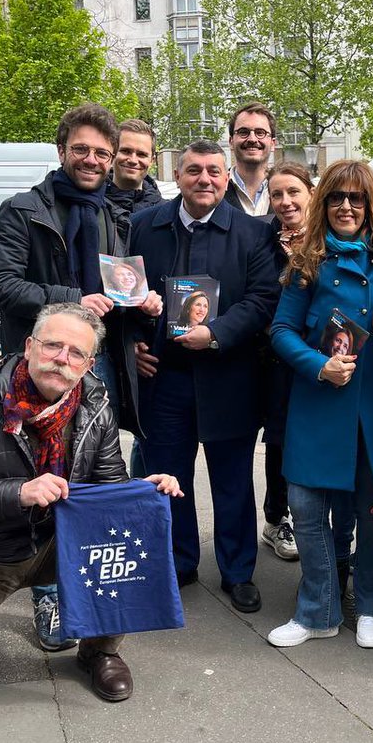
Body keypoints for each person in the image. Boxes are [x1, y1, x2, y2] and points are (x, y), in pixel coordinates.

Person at [0, 302, 182, 703]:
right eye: (53, 346)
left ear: (88, 364)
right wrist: (19, 492)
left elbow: (107, 494)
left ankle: (98, 650)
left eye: (76, 353)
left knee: (126, 544)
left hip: (60, 542)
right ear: (30, 346)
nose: (62, 359)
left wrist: (142, 491)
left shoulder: (96, 410)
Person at [0, 103, 146, 652]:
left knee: (93, 479)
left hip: (98, 369)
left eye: (103, 152)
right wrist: (70, 300)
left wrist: (137, 306)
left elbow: (116, 291)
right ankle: (43, 589)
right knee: (43, 478)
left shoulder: (114, 217)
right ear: (61, 151)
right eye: (82, 149)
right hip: (42, 367)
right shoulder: (22, 211)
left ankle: (85, 587)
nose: (93, 160)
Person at [126, 139, 281, 614]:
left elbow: (261, 301)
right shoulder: (142, 227)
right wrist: (131, 343)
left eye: (215, 171)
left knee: (232, 481)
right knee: (168, 478)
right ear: (178, 174)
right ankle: (179, 561)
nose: (205, 180)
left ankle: (238, 572)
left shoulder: (254, 233)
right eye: (195, 171)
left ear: (227, 175)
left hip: (228, 375)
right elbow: (122, 291)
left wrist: (213, 334)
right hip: (164, 377)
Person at [268, 159, 373, 649]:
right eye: (336, 198)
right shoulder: (306, 264)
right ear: (323, 202)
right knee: (306, 513)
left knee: (372, 516)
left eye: (356, 198)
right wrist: (316, 365)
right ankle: (318, 610)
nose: (346, 207)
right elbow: (281, 331)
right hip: (317, 404)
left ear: (372, 205)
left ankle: (370, 605)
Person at [259, 162, 314, 562]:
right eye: (276, 194)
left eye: (293, 192)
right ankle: (277, 518)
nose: (285, 201)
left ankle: (314, 517)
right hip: (274, 356)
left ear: (311, 193)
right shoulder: (262, 237)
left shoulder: (328, 238)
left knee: (311, 436)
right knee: (278, 439)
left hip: (319, 353)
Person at [105, 118, 163, 236]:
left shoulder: (164, 213)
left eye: (141, 154)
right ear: (113, 153)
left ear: (152, 160)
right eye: (126, 151)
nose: (133, 160)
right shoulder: (93, 206)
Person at [228, 102, 277, 217]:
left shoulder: (289, 191)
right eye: (243, 132)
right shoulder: (214, 188)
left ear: (273, 143)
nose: (252, 139)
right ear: (231, 142)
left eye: (260, 133)